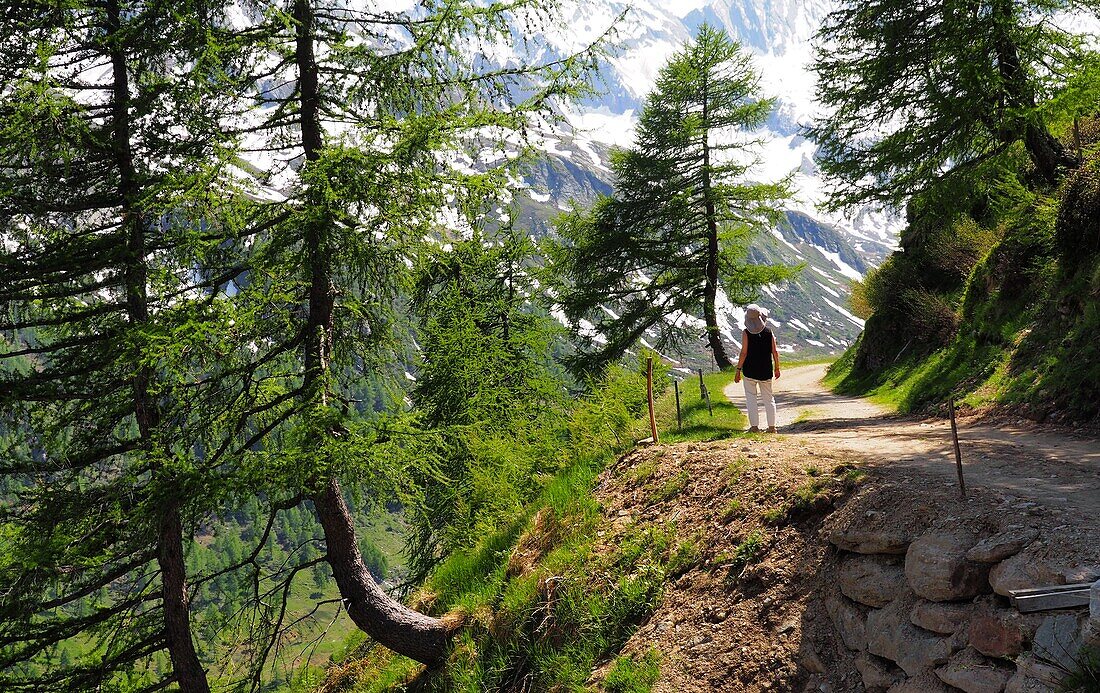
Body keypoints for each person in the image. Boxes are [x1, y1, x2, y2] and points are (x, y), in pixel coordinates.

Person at [733, 303, 781, 433]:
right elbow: (775, 352)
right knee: (769, 399)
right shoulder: (769, 332)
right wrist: (777, 367)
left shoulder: (746, 333)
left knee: (751, 399)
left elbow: (744, 353)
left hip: (750, 371)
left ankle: (754, 427)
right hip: (766, 371)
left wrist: (738, 370)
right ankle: (772, 427)